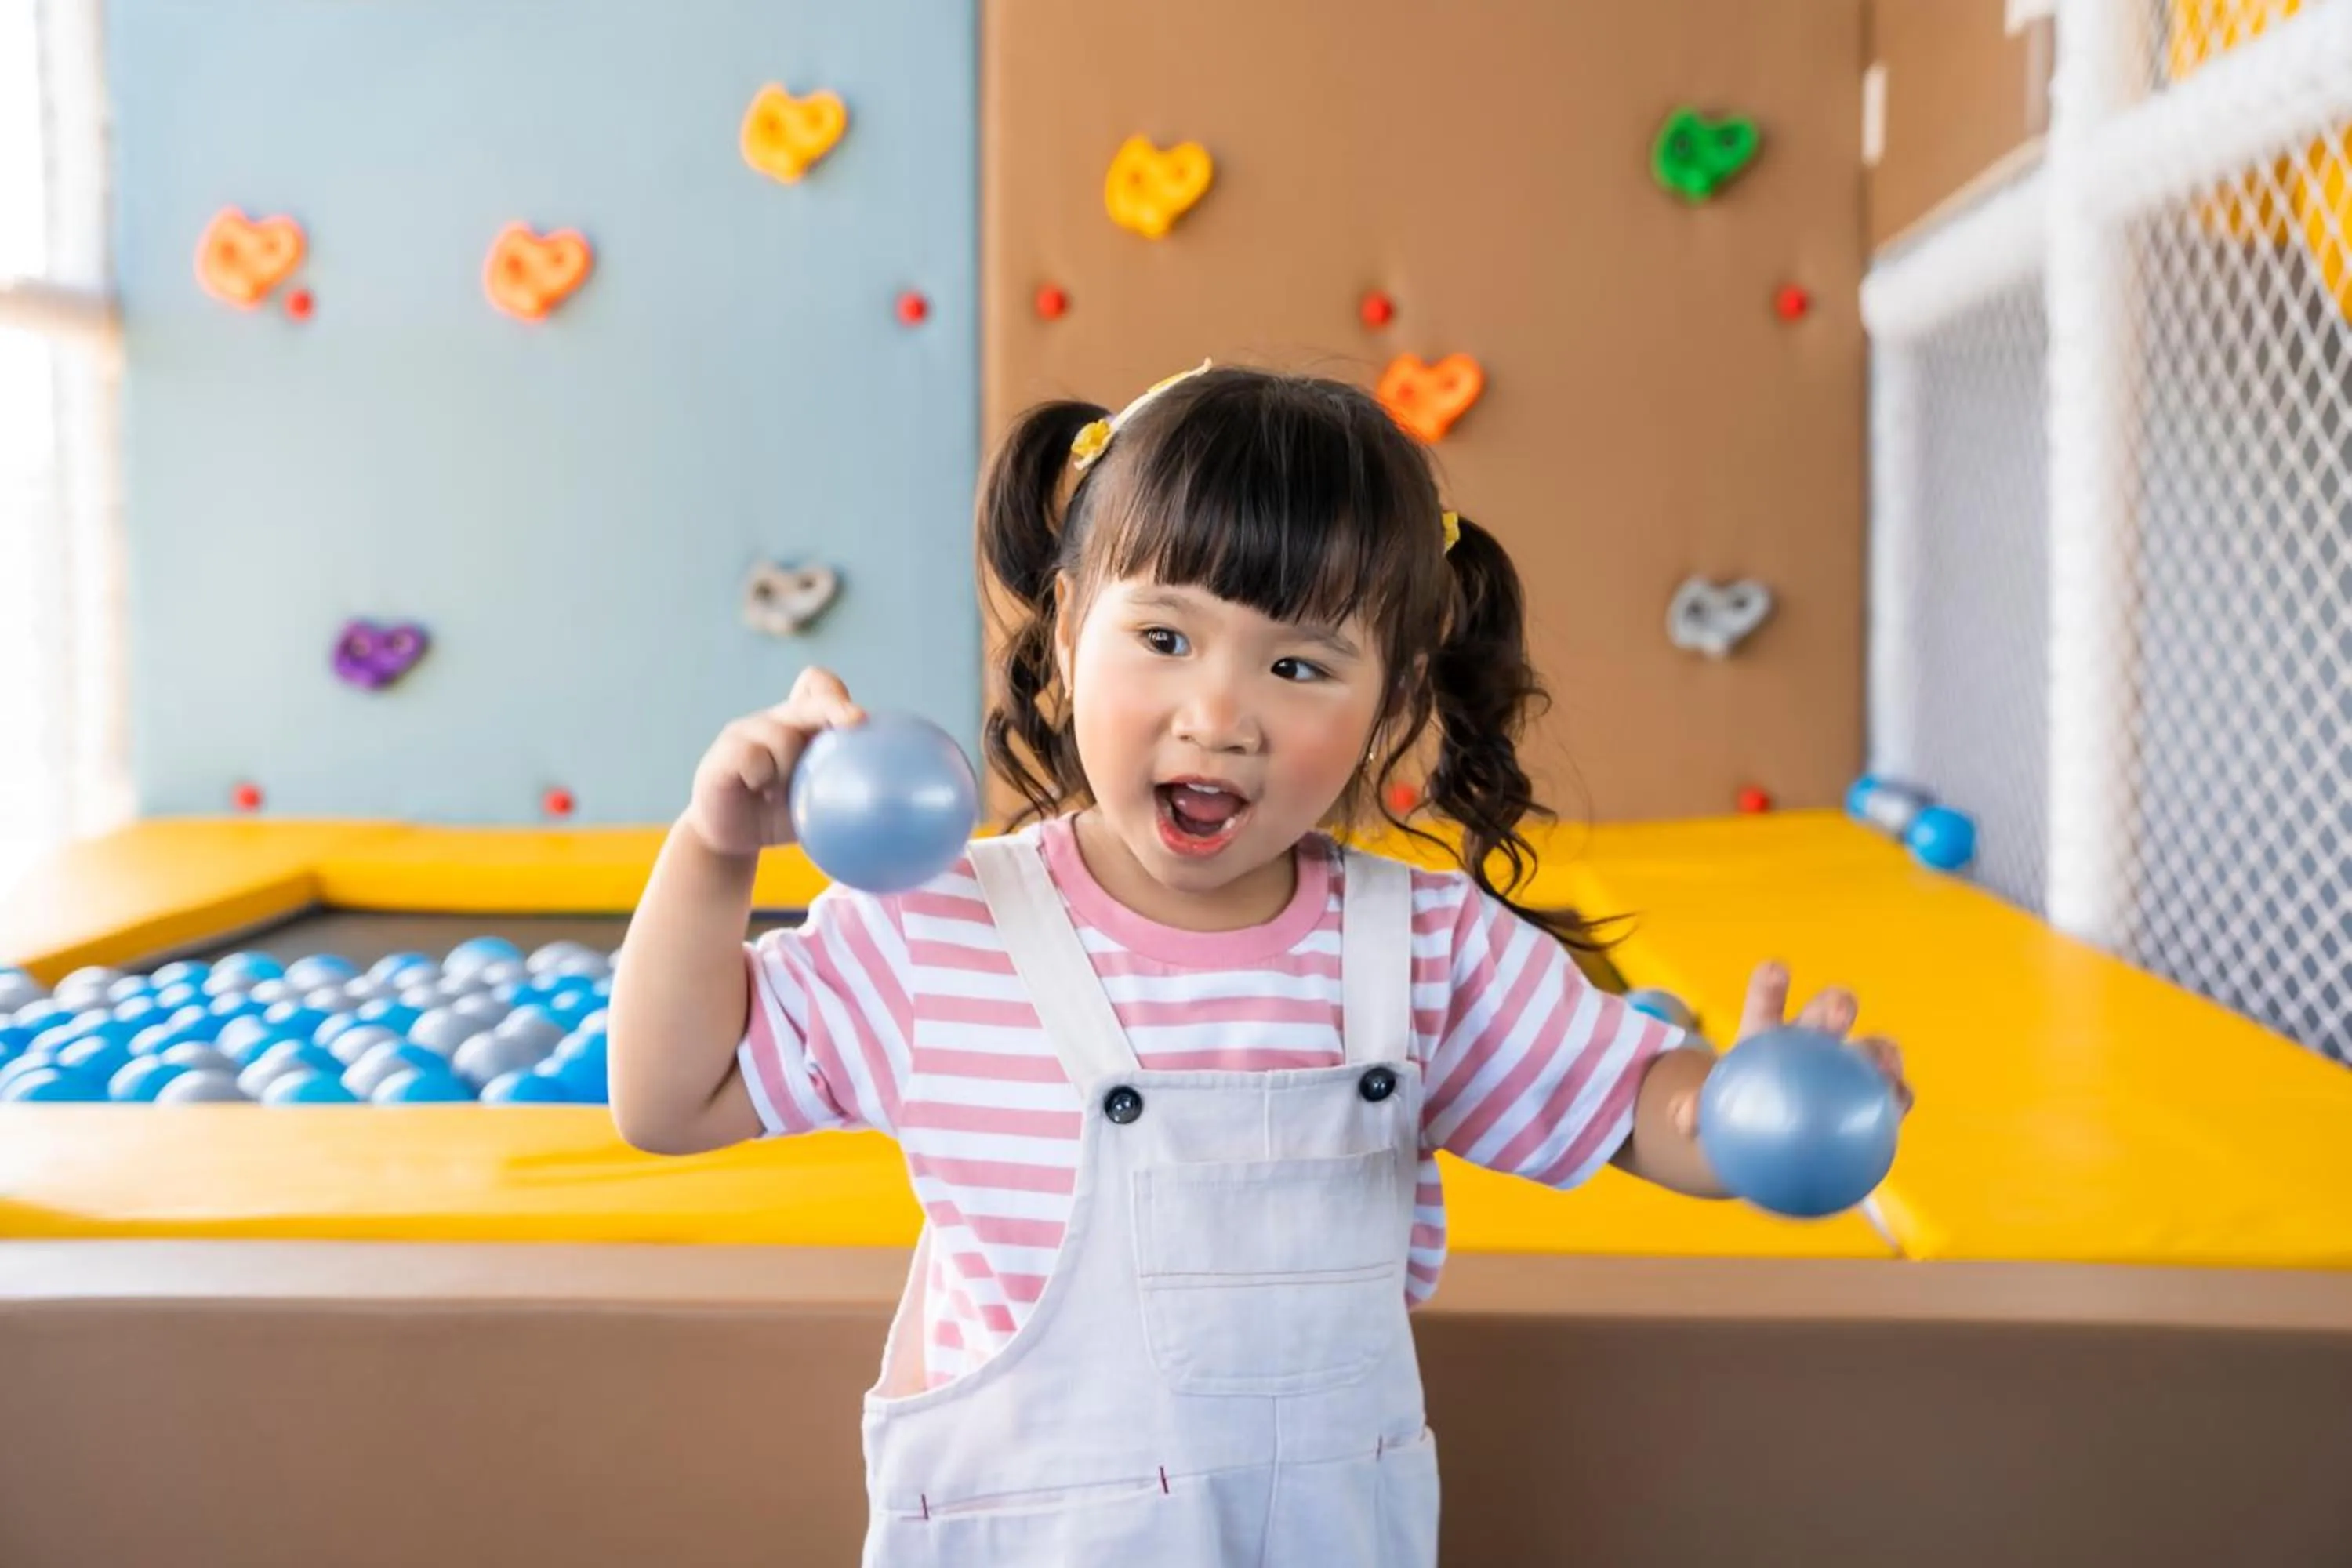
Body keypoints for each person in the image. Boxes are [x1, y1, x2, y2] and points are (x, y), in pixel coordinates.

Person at [608, 361, 1911, 1566]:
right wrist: (718, 849)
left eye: (1298, 665)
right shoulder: (943, 933)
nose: (1219, 716)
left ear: (1387, 703)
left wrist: (1738, 1118)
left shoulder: (1425, 949)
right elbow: (672, 1100)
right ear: (1067, 636)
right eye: (1164, 640)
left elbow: (1631, 1104)